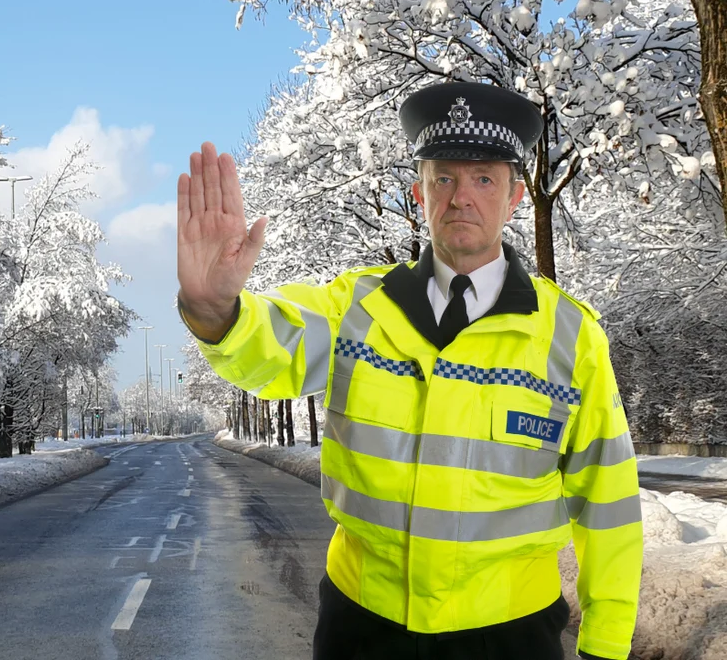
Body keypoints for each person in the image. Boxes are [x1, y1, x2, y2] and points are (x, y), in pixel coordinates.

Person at [176, 82, 641, 660]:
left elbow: (610, 503)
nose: (461, 197)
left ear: (516, 195)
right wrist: (214, 307)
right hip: (362, 631)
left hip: (511, 638)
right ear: (419, 192)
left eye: (484, 179)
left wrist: (608, 645)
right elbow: (273, 345)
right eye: (443, 177)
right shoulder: (358, 308)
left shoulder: (572, 338)